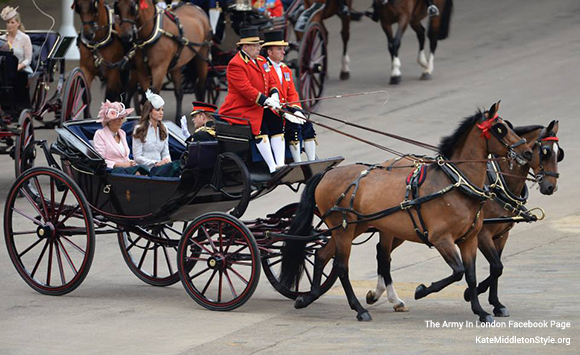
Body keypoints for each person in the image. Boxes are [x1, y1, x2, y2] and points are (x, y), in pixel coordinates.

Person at [219, 26, 285, 173]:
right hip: (241, 107)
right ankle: (272, 166)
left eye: (259, 45)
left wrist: (274, 94)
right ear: (245, 46)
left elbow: (272, 80)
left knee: (277, 122)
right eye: (255, 46)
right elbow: (245, 89)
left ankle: (280, 164)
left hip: (259, 105)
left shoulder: (261, 60)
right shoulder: (236, 64)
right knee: (261, 126)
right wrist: (266, 100)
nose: (259, 48)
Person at [262, 30, 316, 162]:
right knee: (294, 128)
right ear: (270, 52)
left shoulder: (285, 69)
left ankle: (312, 160)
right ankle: (297, 162)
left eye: (283, 49)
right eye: (279, 49)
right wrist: (284, 112)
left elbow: (292, 93)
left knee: (308, 125)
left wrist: (297, 109)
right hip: (272, 111)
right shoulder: (264, 68)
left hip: (287, 108)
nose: (283, 52)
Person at [132, 90, 180, 176]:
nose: (161, 113)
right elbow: (137, 157)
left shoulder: (164, 128)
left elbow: (165, 153)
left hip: (160, 169)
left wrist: (166, 161)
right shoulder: (139, 129)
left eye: (162, 110)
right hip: (145, 170)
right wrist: (156, 163)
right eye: (158, 110)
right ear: (149, 112)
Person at [93, 100, 148, 175]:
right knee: (139, 172)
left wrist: (130, 162)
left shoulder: (122, 133)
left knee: (144, 169)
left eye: (122, 118)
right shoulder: (100, 134)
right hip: (111, 172)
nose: (120, 121)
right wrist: (120, 165)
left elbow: (125, 157)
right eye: (117, 118)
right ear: (109, 121)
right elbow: (101, 161)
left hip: (126, 170)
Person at [1, 6, 32, 108]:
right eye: (8, 22)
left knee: (18, 76)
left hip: (21, 70)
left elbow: (28, 59)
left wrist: (18, 67)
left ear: (18, 23)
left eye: (12, 22)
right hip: (4, 70)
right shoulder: (1, 39)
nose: (9, 25)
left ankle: (19, 106)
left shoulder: (24, 38)